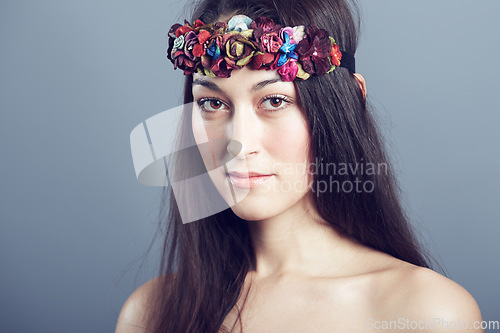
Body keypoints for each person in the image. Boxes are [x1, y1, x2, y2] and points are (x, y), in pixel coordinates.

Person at [116, 0, 483, 332]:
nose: (237, 142)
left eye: (274, 100)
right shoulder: (152, 313)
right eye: (212, 104)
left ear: (348, 103)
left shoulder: (427, 312)